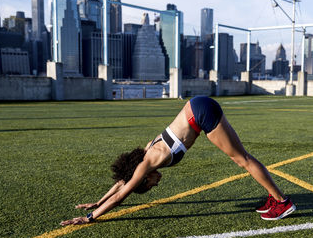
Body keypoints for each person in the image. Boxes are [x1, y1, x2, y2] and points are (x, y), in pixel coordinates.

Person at [61, 96, 295, 226]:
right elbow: (122, 182)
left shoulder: (147, 163)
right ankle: (275, 198)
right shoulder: (145, 152)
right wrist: (97, 202)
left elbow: (122, 195)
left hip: (201, 114)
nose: (155, 184)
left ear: (143, 178)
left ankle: (282, 202)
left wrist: (90, 217)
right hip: (197, 107)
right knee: (240, 158)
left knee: (242, 159)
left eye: (150, 185)